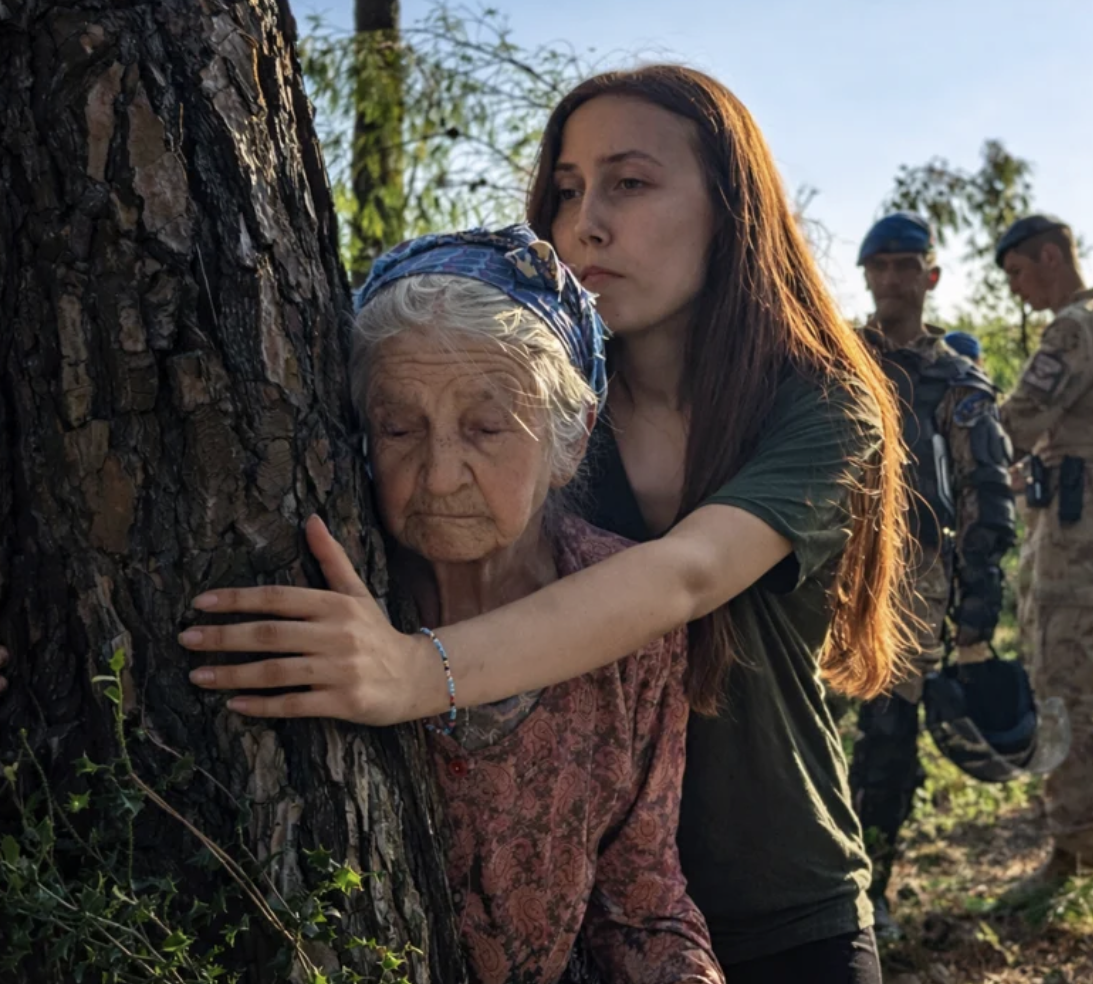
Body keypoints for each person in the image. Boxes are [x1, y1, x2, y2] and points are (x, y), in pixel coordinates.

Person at [184, 65, 909, 984]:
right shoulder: (525, 408)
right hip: (579, 910)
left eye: (630, 183)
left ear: (733, 212)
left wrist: (415, 673)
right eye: (567, 191)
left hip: (776, 898)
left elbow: (685, 575)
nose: (586, 223)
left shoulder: (817, 405)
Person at [336, 226, 724, 982]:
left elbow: (640, 902)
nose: (440, 475)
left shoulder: (627, 613)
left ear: (570, 440)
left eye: (486, 428)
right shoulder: (344, 589)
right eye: (398, 427)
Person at [845, 212, 1017, 934]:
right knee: (800, 726)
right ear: (866, 275)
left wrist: (978, 601)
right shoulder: (834, 357)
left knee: (887, 737)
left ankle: (869, 889)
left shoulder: (956, 380)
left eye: (905, 267)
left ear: (931, 277)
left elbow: (986, 490)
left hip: (911, 577)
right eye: (879, 266)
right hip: (827, 564)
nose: (891, 279)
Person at [989, 214, 1093, 904]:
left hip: (1079, 524)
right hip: (1092, 512)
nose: (1016, 290)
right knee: (1092, 685)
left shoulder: (1075, 328)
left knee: (1066, 685)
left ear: (1051, 257)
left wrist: (959, 442)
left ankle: (1078, 863)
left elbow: (1017, 421)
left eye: (1019, 272)